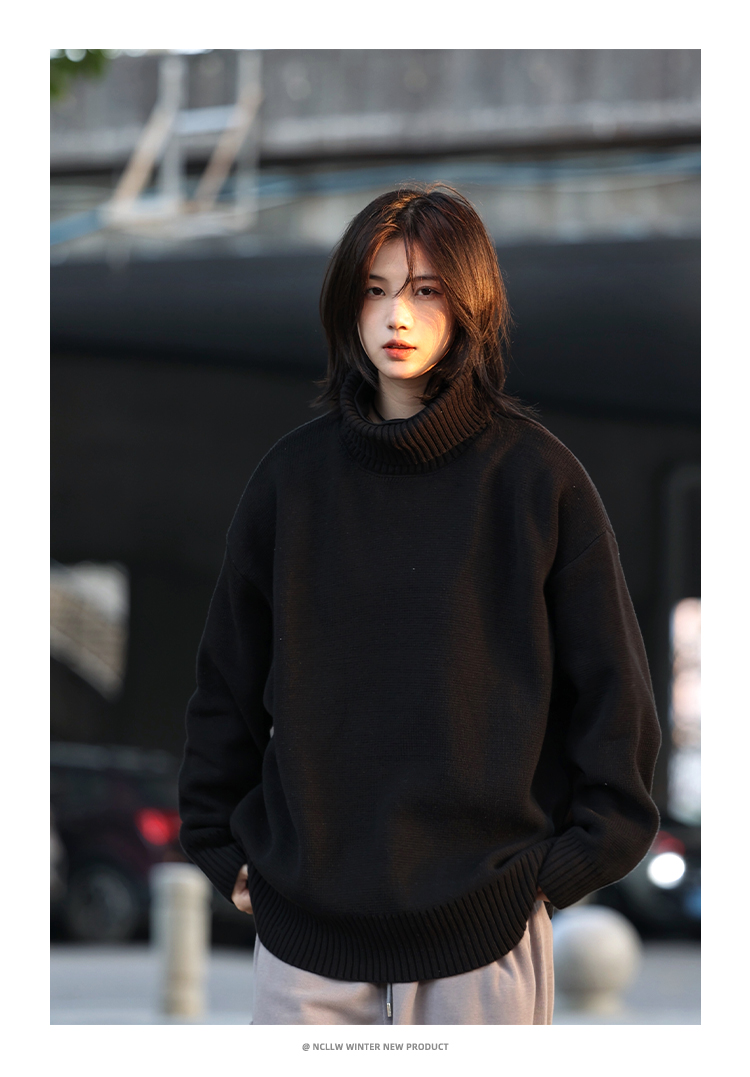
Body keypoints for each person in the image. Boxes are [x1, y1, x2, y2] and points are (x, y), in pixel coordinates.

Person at [178, 183, 661, 1025]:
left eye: (426, 289)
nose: (396, 314)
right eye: (375, 289)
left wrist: (563, 868)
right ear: (348, 305)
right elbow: (226, 684)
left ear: (470, 304)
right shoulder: (291, 482)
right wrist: (219, 841)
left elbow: (616, 696)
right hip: (306, 941)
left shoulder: (537, 480)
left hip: (485, 931)